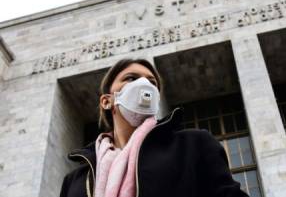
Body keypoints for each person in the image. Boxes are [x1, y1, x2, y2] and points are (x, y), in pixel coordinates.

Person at [59, 58, 250, 197]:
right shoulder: (75, 180)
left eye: (152, 82)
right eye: (131, 78)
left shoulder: (193, 144)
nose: (144, 85)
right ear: (106, 101)